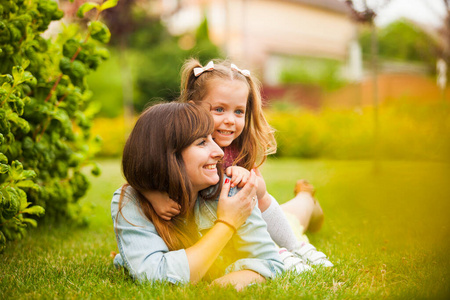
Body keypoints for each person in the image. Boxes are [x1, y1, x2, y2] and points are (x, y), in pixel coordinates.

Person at [111, 102, 287, 290]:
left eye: (213, 139)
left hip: (272, 220)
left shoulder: (232, 190)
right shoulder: (132, 201)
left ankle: (306, 199)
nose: (220, 152)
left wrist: (224, 284)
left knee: (293, 216)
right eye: (202, 142)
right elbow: (154, 277)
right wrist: (227, 223)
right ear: (166, 155)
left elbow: (271, 263)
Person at [176, 59, 333, 268]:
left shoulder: (237, 150)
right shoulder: (182, 147)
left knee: (294, 218)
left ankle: (306, 197)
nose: (231, 120)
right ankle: (305, 198)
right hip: (238, 224)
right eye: (220, 109)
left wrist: (248, 178)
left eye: (239, 111)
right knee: (292, 213)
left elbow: (261, 195)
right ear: (193, 108)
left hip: (266, 223)